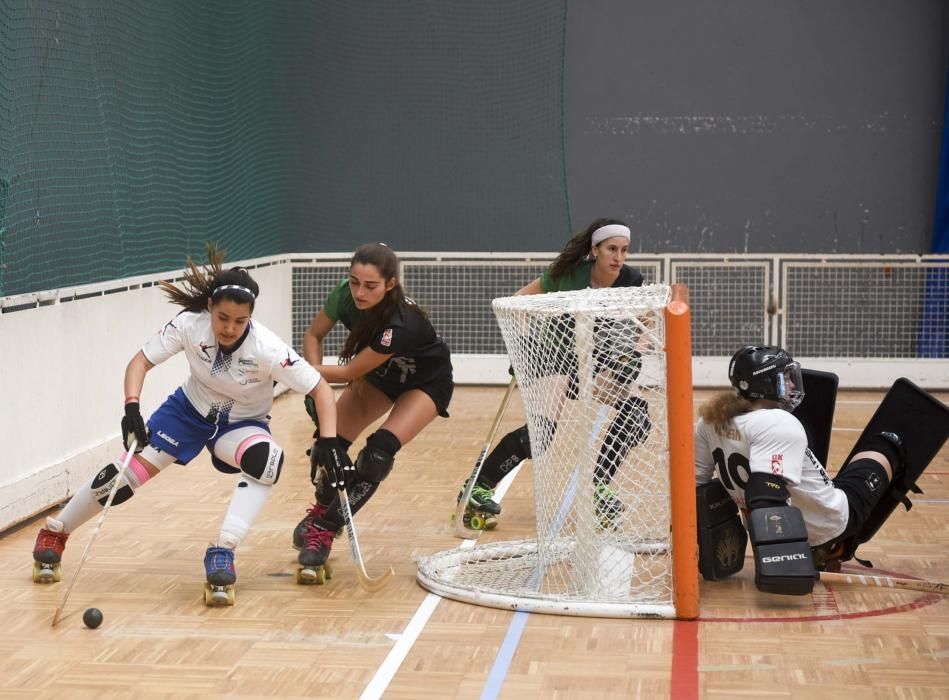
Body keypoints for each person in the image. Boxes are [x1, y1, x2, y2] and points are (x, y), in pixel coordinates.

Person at [31, 245, 348, 604]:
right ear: (210, 307)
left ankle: (223, 551)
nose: (229, 328)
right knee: (121, 481)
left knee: (268, 461)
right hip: (186, 412)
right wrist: (131, 409)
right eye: (222, 317)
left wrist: (330, 441)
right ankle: (56, 531)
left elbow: (321, 388)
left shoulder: (268, 349)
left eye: (239, 321)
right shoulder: (188, 325)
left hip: (241, 424)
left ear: (251, 318)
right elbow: (139, 363)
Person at [456, 218, 650, 531]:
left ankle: (598, 485)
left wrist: (633, 350)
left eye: (624, 250)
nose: (618, 257)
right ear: (595, 250)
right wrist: (522, 346)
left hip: (597, 361)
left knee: (637, 415)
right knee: (541, 436)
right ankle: (479, 486)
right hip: (555, 358)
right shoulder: (568, 276)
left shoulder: (630, 280)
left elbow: (646, 322)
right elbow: (519, 301)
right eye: (611, 249)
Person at [295, 242, 453, 577]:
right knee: (328, 448)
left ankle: (325, 528)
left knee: (377, 456)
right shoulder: (344, 296)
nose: (359, 292)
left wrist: (291, 371)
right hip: (383, 375)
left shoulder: (400, 323)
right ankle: (321, 507)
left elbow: (350, 372)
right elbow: (312, 335)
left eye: (370, 286)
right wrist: (312, 384)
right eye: (354, 282)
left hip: (424, 382)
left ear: (391, 284)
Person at [694, 345, 903, 592]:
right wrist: (786, 566)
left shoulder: (709, 421)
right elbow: (767, 497)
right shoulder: (778, 422)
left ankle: (825, 545)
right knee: (886, 446)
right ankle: (839, 545)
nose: (792, 385)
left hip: (764, 526)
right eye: (785, 378)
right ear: (766, 382)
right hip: (829, 522)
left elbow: (696, 484)